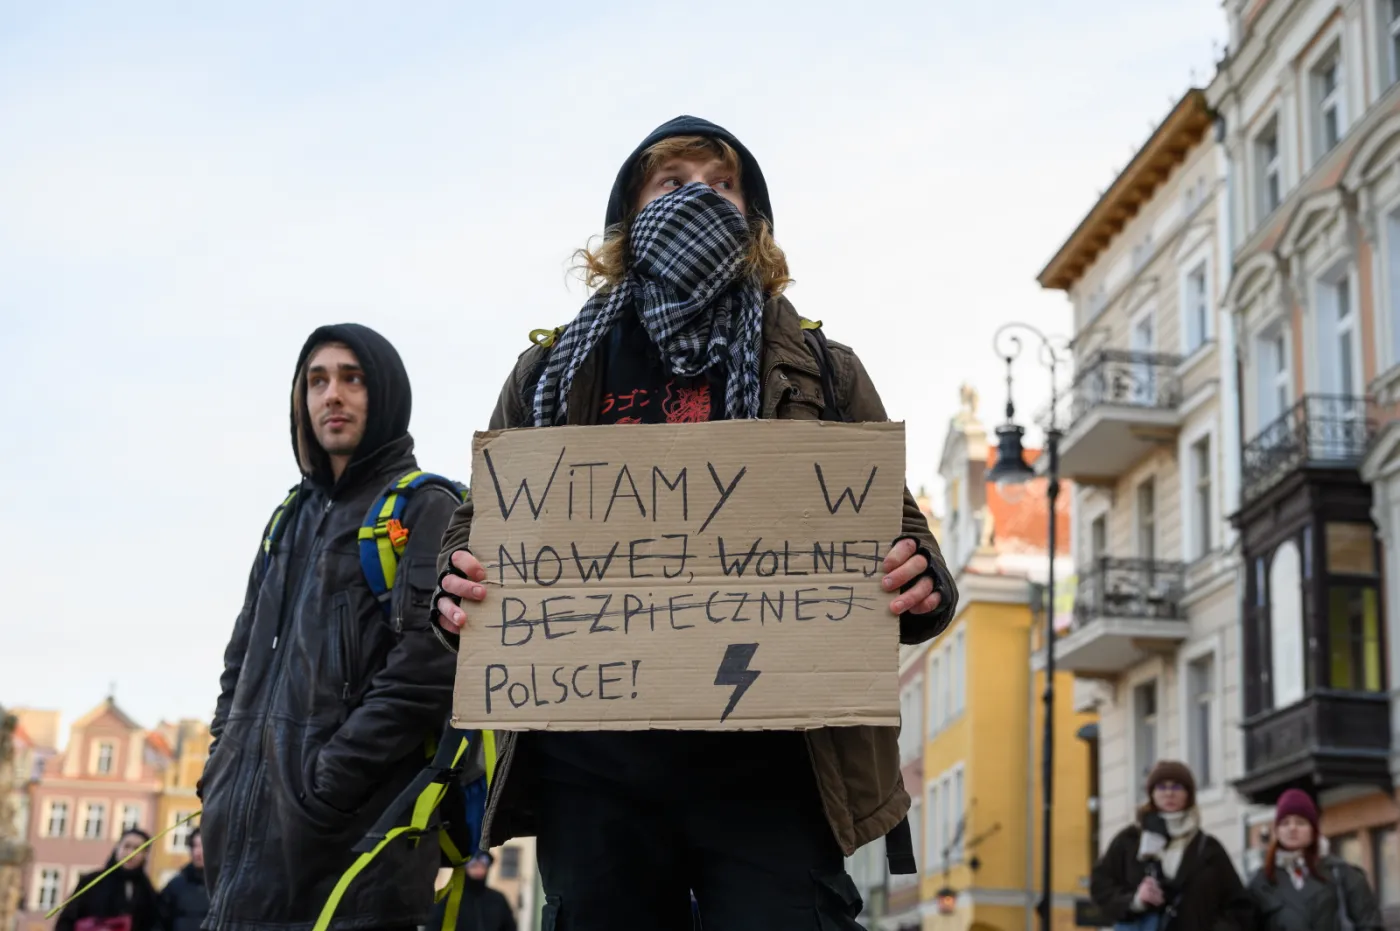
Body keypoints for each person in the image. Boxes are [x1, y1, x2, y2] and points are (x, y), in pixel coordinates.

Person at [430, 116, 959, 930]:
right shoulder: (550, 373)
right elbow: (480, 527)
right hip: (594, 767)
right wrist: (457, 584)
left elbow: (899, 529)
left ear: (754, 220)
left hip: (774, 769)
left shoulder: (823, 367)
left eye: (721, 185)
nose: (699, 199)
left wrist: (920, 581)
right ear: (630, 216)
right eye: (672, 184)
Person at [200, 324, 462, 931]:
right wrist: (221, 763)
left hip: (355, 856)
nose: (331, 396)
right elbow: (239, 662)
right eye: (316, 381)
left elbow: (430, 668)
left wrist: (328, 781)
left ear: (386, 393)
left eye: (352, 378)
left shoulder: (427, 507)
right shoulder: (288, 518)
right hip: (244, 852)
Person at [1090, 761, 1254, 930]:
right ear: (1151, 793)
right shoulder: (1130, 840)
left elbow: (1239, 907)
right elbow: (1100, 887)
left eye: (1177, 787)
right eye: (1161, 787)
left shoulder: (1208, 849)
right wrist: (1134, 901)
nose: (1169, 793)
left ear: (1188, 794)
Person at [1247, 788, 1384, 930]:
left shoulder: (1341, 874)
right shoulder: (1261, 882)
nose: (1292, 828)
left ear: (1313, 830)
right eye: (1285, 823)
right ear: (1277, 830)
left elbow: (1370, 924)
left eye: (1300, 822)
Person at [56, 829, 160, 931]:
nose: (130, 853)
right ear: (117, 848)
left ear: (145, 855)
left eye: (137, 848)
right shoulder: (92, 881)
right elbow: (67, 920)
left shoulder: (147, 891)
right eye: (126, 846)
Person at [433, 852, 516, 931]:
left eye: (483, 866)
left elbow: (509, 927)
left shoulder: (498, 900)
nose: (479, 871)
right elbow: (434, 926)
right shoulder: (449, 899)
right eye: (474, 866)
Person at [157, 828, 208, 931]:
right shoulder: (175, 885)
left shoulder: (223, 887)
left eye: (203, 846)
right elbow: (159, 920)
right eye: (194, 846)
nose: (198, 852)